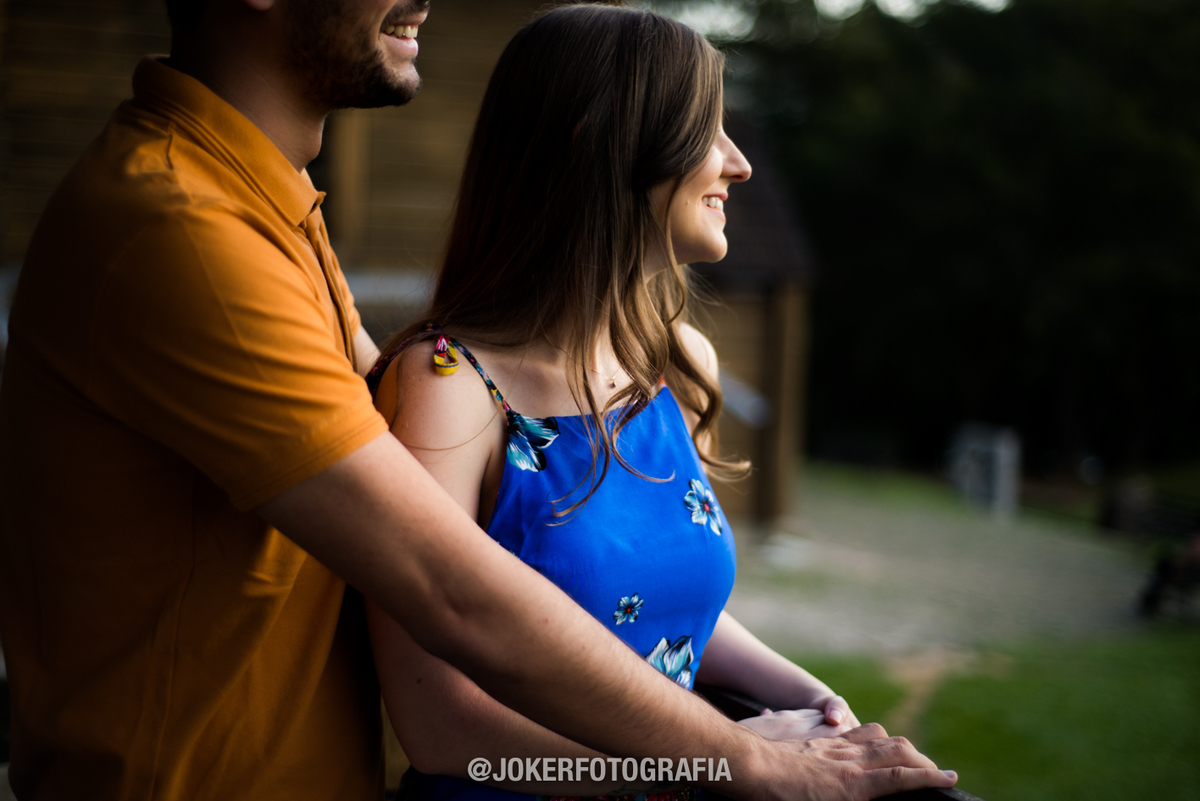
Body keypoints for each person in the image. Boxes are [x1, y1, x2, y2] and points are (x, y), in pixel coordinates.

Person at [0, 0, 958, 799]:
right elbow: (452, 590)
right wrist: (742, 760)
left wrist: (799, 702)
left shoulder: (269, 208)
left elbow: (547, 558)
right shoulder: (183, 227)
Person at [366, 6, 947, 800]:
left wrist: (809, 696)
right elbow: (441, 731)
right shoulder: (450, 388)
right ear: (600, 144)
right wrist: (720, 760)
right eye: (705, 130)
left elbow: (645, 605)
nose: (738, 163)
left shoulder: (673, 365)